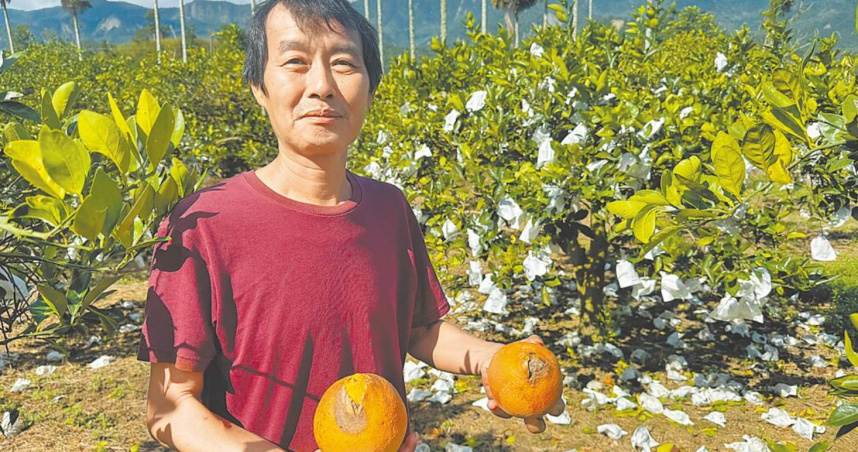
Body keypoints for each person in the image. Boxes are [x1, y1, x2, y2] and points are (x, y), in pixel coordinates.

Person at [137, 1, 566, 451]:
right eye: (295, 62)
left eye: (343, 63)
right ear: (258, 87)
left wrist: (491, 359)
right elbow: (171, 404)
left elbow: (418, 330)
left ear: (371, 88)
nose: (321, 85)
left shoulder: (389, 208)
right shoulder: (201, 223)